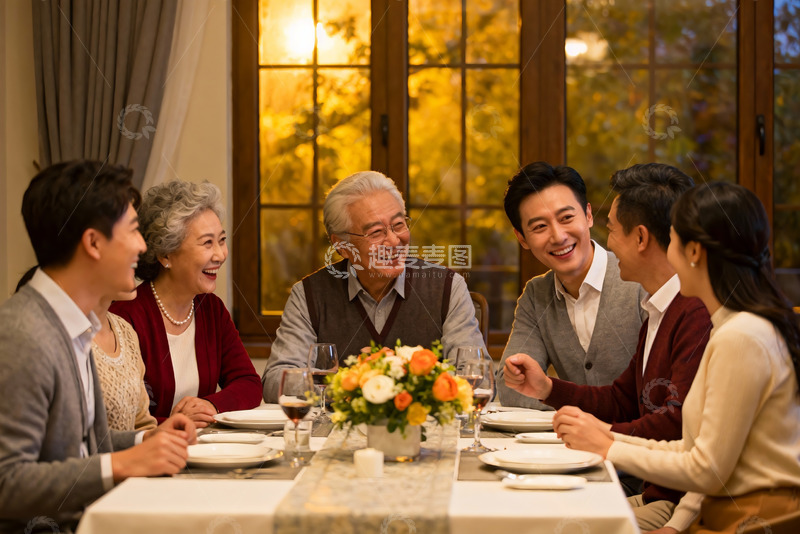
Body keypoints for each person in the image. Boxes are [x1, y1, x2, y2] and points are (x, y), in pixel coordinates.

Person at [554, 182, 800, 533]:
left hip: (750, 519)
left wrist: (609, 447)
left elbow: (706, 469)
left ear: (695, 252)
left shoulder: (741, 336)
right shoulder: (733, 328)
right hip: (720, 512)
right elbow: (695, 451)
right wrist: (608, 438)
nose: (668, 255)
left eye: (672, 241)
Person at [504, 163, 711, 531]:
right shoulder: (657, 308)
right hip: (649, 487)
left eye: (612, 230)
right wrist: (549, 389)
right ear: (522, 237)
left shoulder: (685, 306)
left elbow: (682, 426)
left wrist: (604, 439)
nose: (609, 242)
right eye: (539, 226)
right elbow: (624, 398)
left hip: (671, 493)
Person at [0, 161, 195, 533]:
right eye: (135, 230)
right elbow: (7, 482)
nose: (143, 246)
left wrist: (146, 439)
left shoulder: (75, 324)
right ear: (92, 242)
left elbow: (85, 447)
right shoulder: (23, 334)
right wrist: (125, 464)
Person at [262, 171, 486, 402]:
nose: (393, 240)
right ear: (342, 245)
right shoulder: (309, 295)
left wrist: (400, 374)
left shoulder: (447, 287)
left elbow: (479, 379)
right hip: (333, 436)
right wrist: (355, 381)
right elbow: (276, 382)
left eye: (399, 225)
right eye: (376, 232)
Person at [496, 161, 646, 409]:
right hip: (570, 444)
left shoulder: (638, 279)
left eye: (566, 218)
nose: (558, 236)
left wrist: (560, 399)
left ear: (588, 215)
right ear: (521, 238)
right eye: (540, 227)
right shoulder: (536, 296)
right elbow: (512, 388)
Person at [111, 180, 261, 427]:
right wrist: (173, 422)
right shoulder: (124, 317)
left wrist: (211, 405)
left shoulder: (211, 309)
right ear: (165, 255)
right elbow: (119, 419)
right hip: (152, 454)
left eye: (221, 240)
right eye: (207, 243)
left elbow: (249, 383)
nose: (220, 255)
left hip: (204, 450)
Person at [93, 290, 158, 432]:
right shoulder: (64, 335)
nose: (135, 265)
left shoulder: (125, 329)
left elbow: (142, 422)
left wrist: (157, 437)